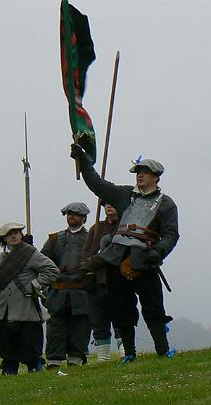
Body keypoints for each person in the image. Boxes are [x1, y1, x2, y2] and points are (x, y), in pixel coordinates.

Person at [73, 146, 180, 361]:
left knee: (153, 307)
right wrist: (83, 161)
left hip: (146, 258)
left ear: (156, 177)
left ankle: (162, 350)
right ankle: (129, 354)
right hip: (116, 257)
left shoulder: (166, 204)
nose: (140, 175)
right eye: (138, 172)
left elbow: (170, 234)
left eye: (145, 172)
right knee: (121, 307)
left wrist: (158, 253)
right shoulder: (123, 195)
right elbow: (97, 184)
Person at [0, 223, 59, 375]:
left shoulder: (31, 254)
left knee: (31, 345)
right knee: (7, 347)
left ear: (21, 235)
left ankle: (36, 370)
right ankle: (9, 372)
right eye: (9, 233)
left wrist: (36, 284)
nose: (13, 236)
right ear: (4, 238)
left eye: (16, 232)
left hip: (27, 308)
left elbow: (52, 271)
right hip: (5, 309)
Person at [41, 202, 92, 368]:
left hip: (81, 291)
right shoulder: (54, 239)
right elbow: (42, 262)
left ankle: (75, 359)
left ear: (84, 218)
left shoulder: (92, 238)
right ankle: (54, 360)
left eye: (76, 214)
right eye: (69, 213)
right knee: (55, 327)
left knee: (80, 326)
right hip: (58, 291)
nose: (72, 216)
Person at [81, 204, 126, 361]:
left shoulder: (125, 225)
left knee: (120, 316)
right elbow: (87, 253)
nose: (108, 206)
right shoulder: (96, 228)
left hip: (118, 278)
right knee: (98, 320)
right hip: (97, 280)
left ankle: (125, 350)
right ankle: (103, 356)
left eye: (112, 203)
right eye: (106, 203)